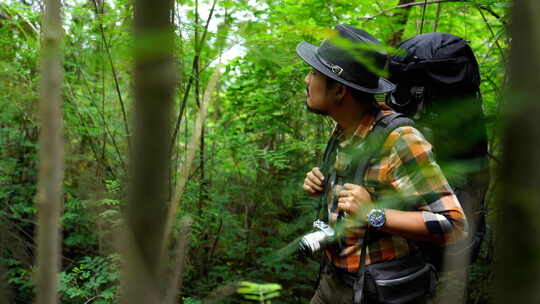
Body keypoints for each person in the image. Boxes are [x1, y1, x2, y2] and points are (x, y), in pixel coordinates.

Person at [296, 25, 467, 304]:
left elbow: (454, 225)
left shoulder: (400, 140)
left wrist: (374, 213)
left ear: (339, 90)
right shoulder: (343, 129)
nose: (307, 79)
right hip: (332, 281)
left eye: (314, 73)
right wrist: (324, 183)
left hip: (379, 290)